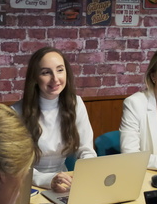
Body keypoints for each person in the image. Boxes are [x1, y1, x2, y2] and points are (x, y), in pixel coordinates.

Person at [12, 46, 96, 192]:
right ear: (35, 77)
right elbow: (15, 167)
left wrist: (85, 176)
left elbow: (86, 151)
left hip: (64, 183)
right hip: (28, 185)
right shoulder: (15, 112)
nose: (55, 79)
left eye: (60, 70)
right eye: (46, 72)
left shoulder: (76, 104)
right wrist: (48, 180)